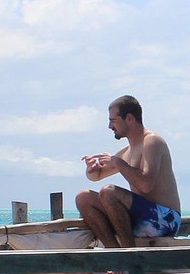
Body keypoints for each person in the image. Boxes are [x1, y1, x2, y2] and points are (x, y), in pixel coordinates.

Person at [76, 95, 182, 248]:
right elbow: (96, 176)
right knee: (83, 197)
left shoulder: (152, 142)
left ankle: (129, 256)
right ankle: (116, 256)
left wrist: (118, 163)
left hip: (165, 219)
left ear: (130, 119)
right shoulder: (127, 151)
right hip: (142, 218)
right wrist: (91, 169)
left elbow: (146, 185)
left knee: (108, 192)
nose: (110, 127)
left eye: (113, 121)